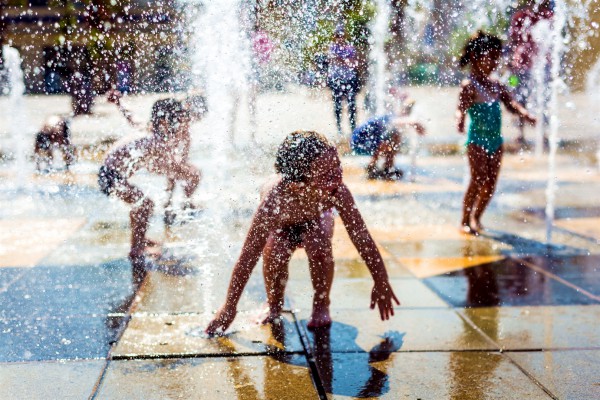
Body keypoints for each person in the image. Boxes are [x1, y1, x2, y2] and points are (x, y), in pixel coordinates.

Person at [206, 131, 400, 336]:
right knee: (275, 250)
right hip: (282, 226)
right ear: (297, 184)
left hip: (316, 220)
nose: (339, 175)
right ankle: (273, 304)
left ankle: (321, 302)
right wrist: (229, 307)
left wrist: (381, 280)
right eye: (327, 174)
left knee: (318, 244)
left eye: (338, 165)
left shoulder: (337, 191)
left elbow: (362, 238)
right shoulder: (274, 200)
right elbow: (248, 257)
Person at [98, 99, 201, 285]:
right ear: (164, 122)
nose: (180, 125)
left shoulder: (148, 129)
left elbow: (131, 116)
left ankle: (140, 239)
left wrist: (120, 102)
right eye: (177, 121)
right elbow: (162, 168)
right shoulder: (155, 141)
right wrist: (188, 172)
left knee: (141, 204)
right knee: (145, 204)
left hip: (109, 173)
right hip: (111, 176)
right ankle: (136, 250)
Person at [456, 32, 536, 235]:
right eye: (489, 57)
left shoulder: (496, 85)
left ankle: (477, 217)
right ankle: (464, 220)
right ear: (475, 57)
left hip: (496, 141)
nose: (493, 62)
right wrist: (460, 119)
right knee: (478, 178)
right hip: (476, 140)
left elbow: (511, 105)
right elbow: (461, 107)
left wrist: (525, 114)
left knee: (490, 184)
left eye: (496, 58)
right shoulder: (469, 85)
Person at [507, 0, 553, 145]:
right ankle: (520, 133)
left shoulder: (548, 16)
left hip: (541, 65)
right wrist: (510, 63)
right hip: (520, 66)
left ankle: (543, 133)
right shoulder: (520, 16)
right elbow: (513, 41)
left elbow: (552, 43)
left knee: (543, 99)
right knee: (519, 98)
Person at [351, 98, 425, 180]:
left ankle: (377, 167)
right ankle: (385, 168)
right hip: (359, 143)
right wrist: (415, 123)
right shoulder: (391, 116)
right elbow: (394, 122)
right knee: (394, 137)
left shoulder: (389, 116)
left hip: (360, 143)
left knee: (392, 137)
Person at [327, 26, 359, 136]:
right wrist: (345, 60)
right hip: (336, 79)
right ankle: (339, 127)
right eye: (337, 36)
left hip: (349, 79)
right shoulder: (332, 48)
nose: (340, 38)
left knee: (351, 104)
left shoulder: (350, 48)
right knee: (337, 104)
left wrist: (342, 60)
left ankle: (353, 127)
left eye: (341, 36)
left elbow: (353, 63)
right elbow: (334, 59)